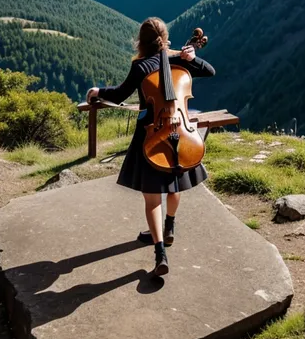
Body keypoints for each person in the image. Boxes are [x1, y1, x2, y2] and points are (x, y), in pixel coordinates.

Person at [87, 17, 215, 278]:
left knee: (152, 197)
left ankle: (160, 252)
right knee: (175, 182)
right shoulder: (178, 60)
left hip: (152, 136)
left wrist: (98, 91)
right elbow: (210, 71)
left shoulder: (141, 66)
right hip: (182, 131)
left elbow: (120, 94)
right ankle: (170, 227)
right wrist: (192, 60)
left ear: (141, 42)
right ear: (165, 39)